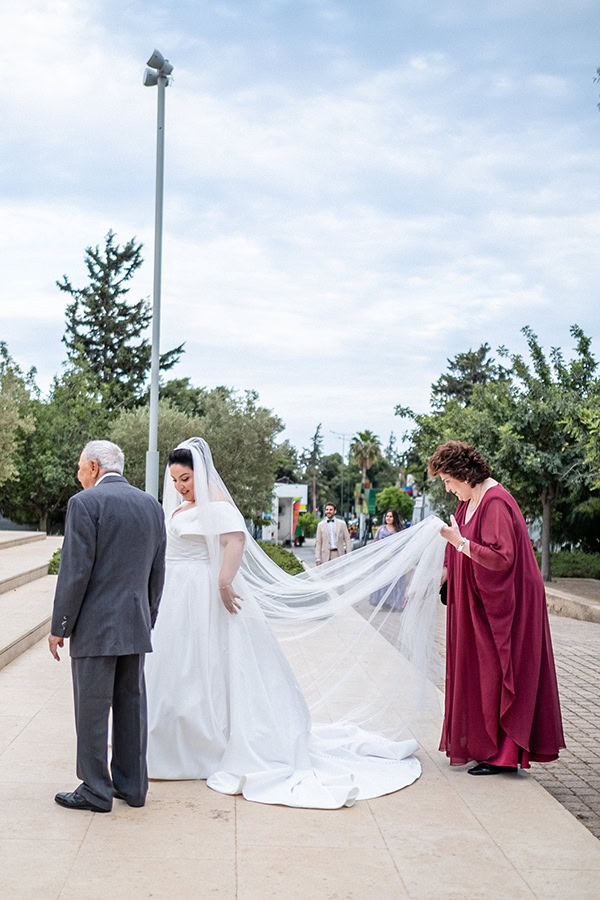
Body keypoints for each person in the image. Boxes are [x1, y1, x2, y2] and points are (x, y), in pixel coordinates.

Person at [146, 438, 429, 808]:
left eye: (186, 478)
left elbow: (235, 541)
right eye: (176, 480)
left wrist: (223, 581)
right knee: (177, 667)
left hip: (203, 591)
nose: (182, 486)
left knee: (210, 664)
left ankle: (207, 742)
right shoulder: (183, 507)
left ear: (200, 473)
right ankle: (169, 738)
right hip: (177, 594)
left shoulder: (215, 506)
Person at [428, 440, 565, 775]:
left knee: (499, 671)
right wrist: (444, 576)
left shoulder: (496, 502)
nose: (447, 488)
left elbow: (502, 558)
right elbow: (456, 545)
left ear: (463, 474)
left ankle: (503, 756)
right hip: (481, 603)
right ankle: (485, 746)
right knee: (481, 671)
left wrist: (459, 543)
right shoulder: (468, 501)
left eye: (448, 480)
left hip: (509, 604)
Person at [49, 440, 166, 812]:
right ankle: (133, 787)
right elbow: (158, 570)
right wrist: (148, 614)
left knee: (92, 709)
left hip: (96, 627)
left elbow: (74, 573)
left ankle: (96, 790)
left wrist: (60, 626)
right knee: (132, 706)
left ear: (96, 468)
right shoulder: (151, 505)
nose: (78, 474)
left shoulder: (84, 504)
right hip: (135, 622)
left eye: (81, 467)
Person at [369, 509, 406, 609]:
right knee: (382, 582)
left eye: (390, 516)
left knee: (393, 583)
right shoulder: (381, 529)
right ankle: (382, 602)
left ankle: (393, 603)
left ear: (394, 518)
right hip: (382, 560)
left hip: (394, 560)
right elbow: (376, 543)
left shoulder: (399, 530)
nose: (388, 518)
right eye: (387, 516)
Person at [315, 501, 352, 565]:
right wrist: (318, 558)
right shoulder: (320, 525)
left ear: (335, 511)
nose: (328, 511)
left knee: (339, 574)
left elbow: (347, 540)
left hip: (338, 554)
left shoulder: (342, 524)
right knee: (325, 575)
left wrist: (348, 555)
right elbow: (318, 542)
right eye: (327, 510)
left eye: (330, 510)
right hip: (325, 556)